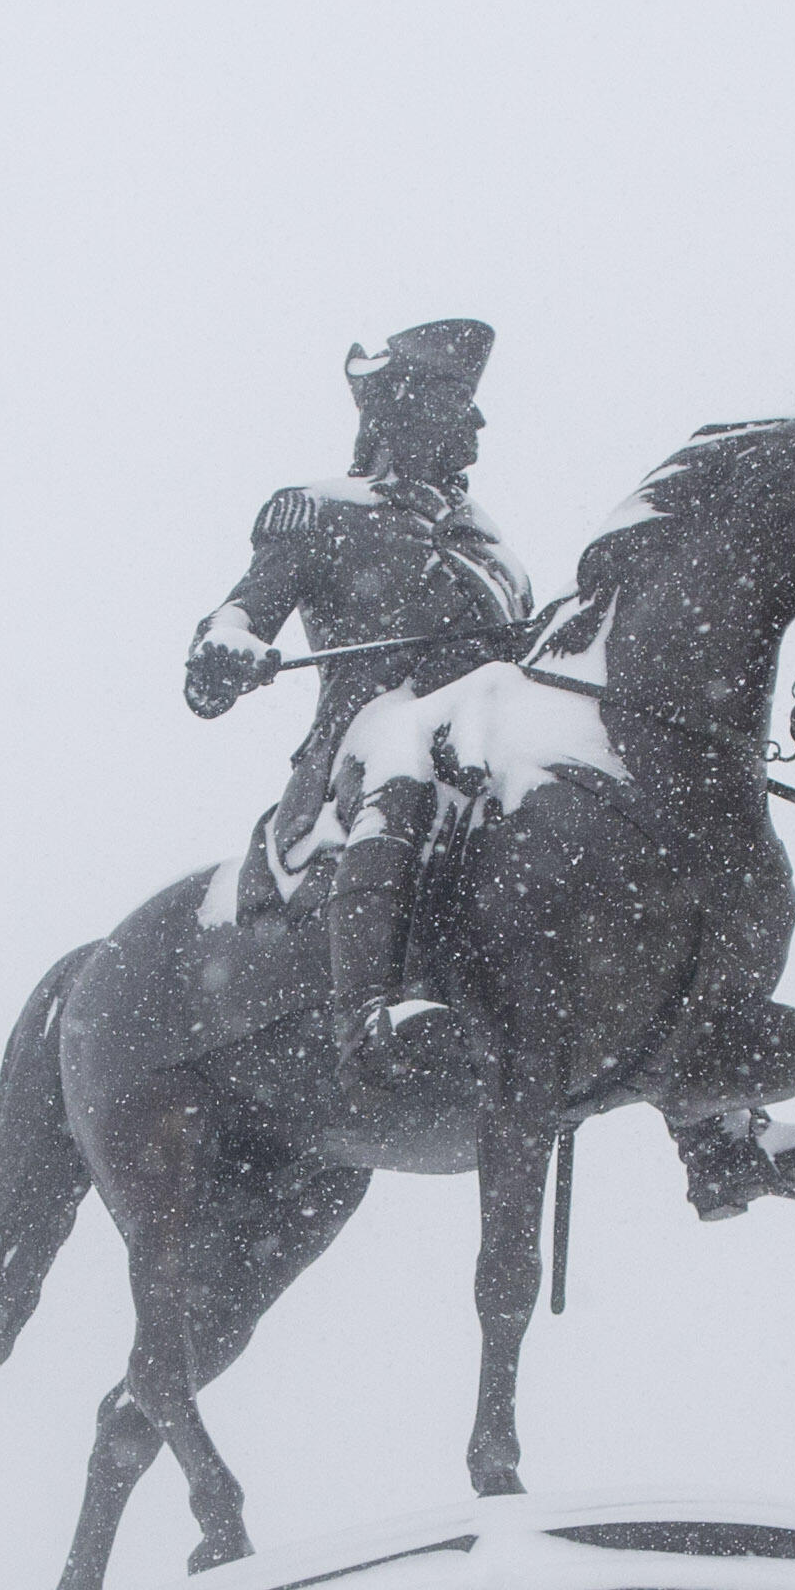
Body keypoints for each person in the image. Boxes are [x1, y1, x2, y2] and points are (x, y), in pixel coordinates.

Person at [182, 320, 532, 1080]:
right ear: (397, 410)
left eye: (471, 403)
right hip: (366, 744)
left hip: (483, 743)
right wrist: (228, 648)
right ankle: (369, 1016)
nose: (474, 421)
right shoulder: (323, 512)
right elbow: (241, 613)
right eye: (452, 399)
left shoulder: (497, 556)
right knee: (402, 755)